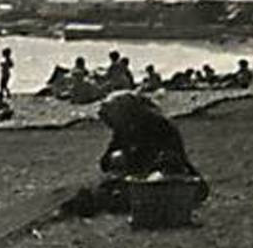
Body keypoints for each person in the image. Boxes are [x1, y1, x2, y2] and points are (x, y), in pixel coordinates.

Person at [63, 91, 207, 216]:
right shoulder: (125, 127)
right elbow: (106, 162)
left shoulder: (156, 125)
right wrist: (115, 158)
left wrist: (124, 160)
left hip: (165, 173)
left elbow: (149, 159)